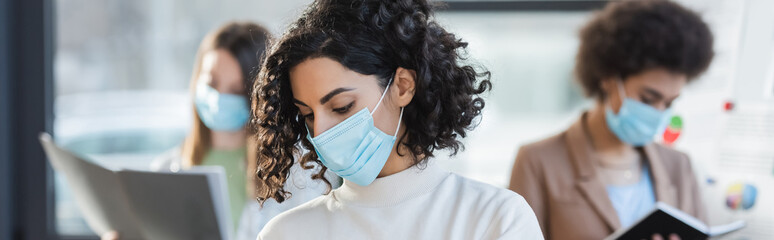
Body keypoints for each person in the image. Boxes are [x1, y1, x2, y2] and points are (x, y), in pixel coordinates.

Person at [249, 0, 543, 239]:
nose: (321, 132)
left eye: (342, 107)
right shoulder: (286, 233)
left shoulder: (495, 219)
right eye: (308, 115)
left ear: (403, 86)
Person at [102, 22, 331, 240]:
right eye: (211, 84)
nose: (220, 98)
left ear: (261, 96)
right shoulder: (165, 168)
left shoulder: (300, 174)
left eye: (236, 89)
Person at [508, 1, 714, 239]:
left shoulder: (679, 166)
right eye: (648, 99)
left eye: (669, 103)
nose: (659, 112)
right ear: (608, 79)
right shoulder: (537, 162)